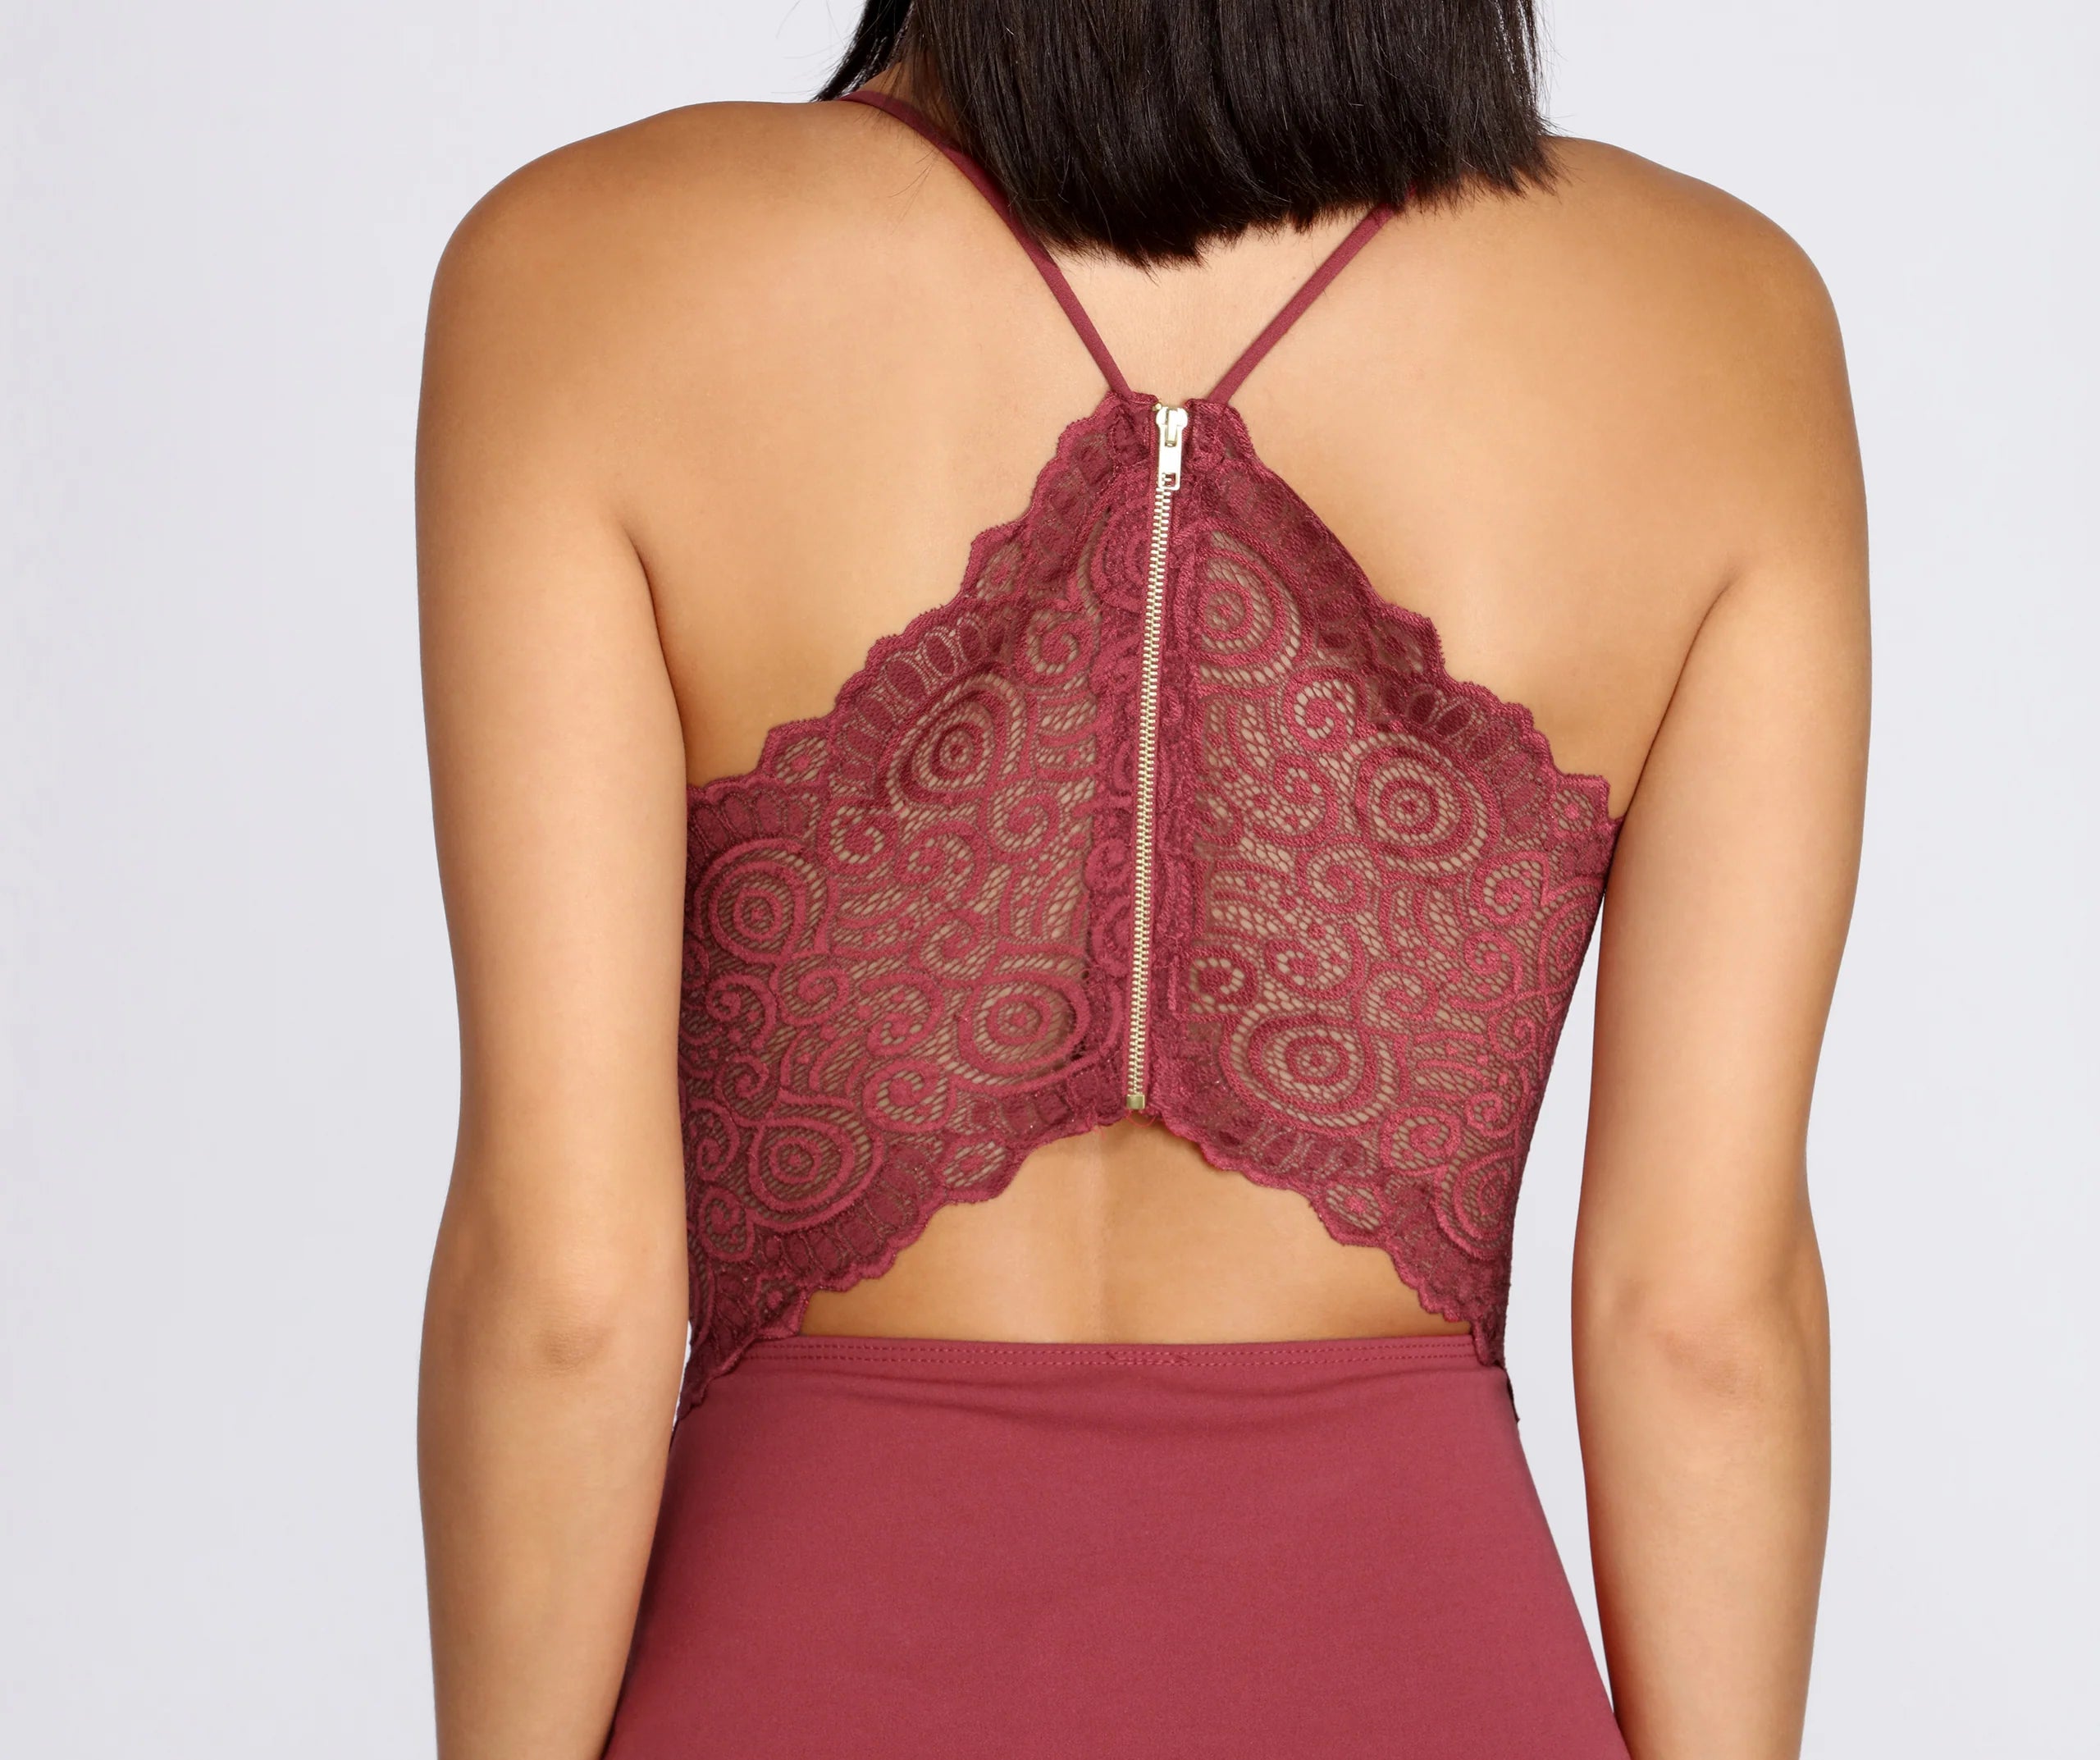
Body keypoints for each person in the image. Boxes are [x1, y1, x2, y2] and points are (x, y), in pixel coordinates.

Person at [414, 3, 1865, 1754]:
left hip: (794, 1668)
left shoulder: (584, 273)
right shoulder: (1717, 321)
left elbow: (564, 1299)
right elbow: (1700, 1321)